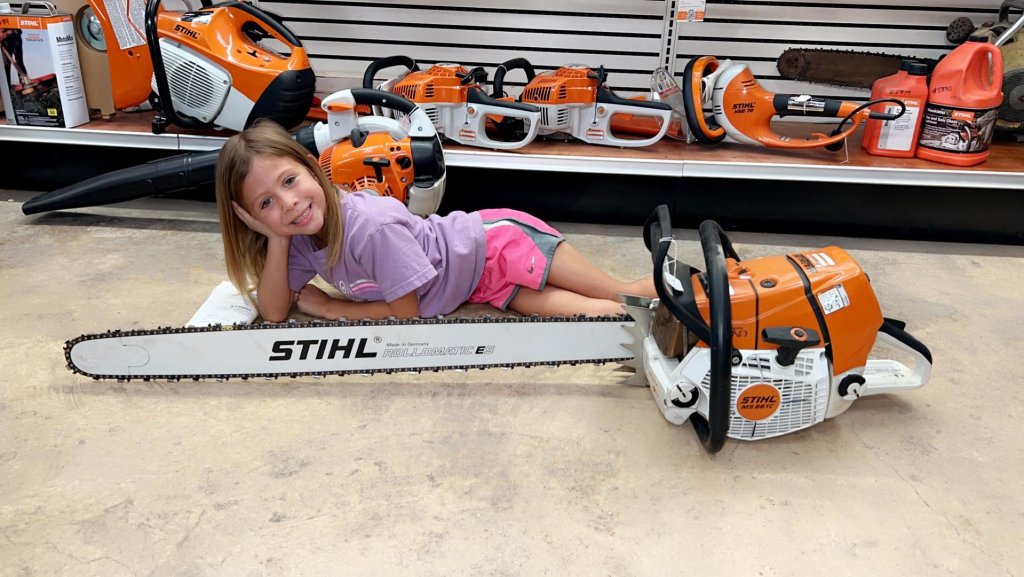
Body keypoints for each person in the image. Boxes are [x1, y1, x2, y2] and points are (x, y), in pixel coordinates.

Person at [215, 120, 656, 323]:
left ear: (313, 167)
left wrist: (334, 308)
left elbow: (406, 315)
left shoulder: (371, 227)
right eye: (267, 203)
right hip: (478, 283)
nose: (290, 204)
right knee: (608, 317)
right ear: (249, 216)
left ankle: (711, 294)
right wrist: (274, 238)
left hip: (498, 245)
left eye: (290, 181)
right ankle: (665, 320)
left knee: (624, 293)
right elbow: (273, 311)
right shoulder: (297, 234)